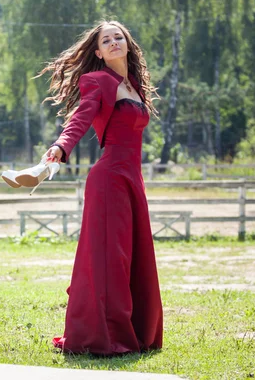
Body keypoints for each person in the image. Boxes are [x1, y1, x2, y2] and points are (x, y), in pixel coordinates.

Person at [39, 20, 163, 355]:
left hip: (132, 179)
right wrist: (62, 146)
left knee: (134, 256)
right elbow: (81, 116)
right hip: (108, 179)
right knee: (111, 258)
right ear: (98, 51)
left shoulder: (134, 85)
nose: (112, 42)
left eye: (117, 37)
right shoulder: (97, 81)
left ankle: (137, 331)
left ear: (127, 44)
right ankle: (105, 336)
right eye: (105, 40)